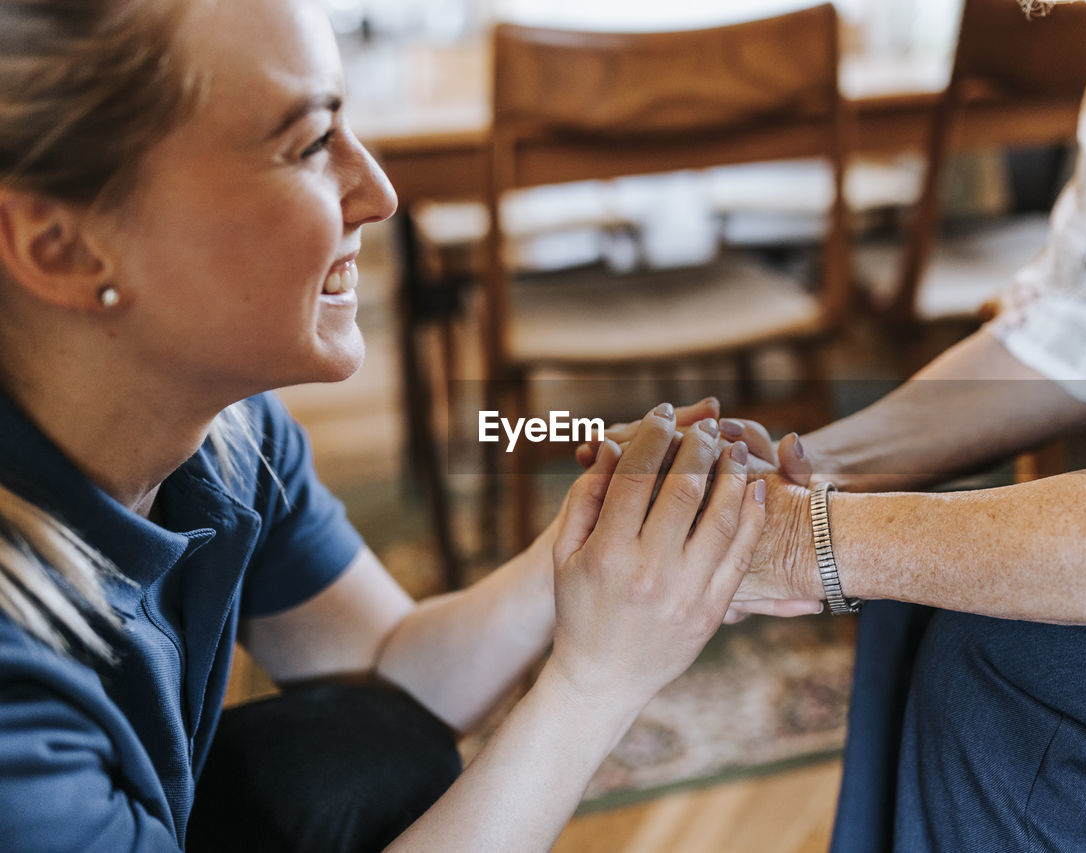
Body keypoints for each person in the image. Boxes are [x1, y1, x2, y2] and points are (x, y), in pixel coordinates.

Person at [0, 1, 770, 851]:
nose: (379, 192)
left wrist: (593, 532)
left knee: (365, 755)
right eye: (305, 144)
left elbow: (388, 672)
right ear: (59, 245)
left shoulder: (222, 432)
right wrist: (597, 683)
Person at [585, 0, 1086, 849]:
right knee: (917, 596)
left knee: (1007, 664)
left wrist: (821, 541)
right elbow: (1078, 328)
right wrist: (811, 471)